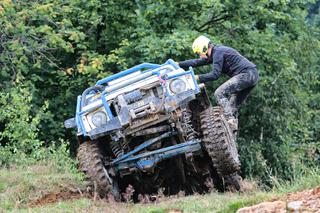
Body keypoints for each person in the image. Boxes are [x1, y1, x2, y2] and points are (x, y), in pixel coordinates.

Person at [178, 35, 259, 131]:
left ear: (204, 48)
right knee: (231, 106)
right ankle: (231, 129)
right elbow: (196, 62)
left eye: (199, 53)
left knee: (219, 93)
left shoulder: (218, 52)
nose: (199, 56)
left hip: (246, 74)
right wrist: (179, 64)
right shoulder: (216, 52)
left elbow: (215, 75)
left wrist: (197, 77)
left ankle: (230, 120)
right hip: (252, 75)